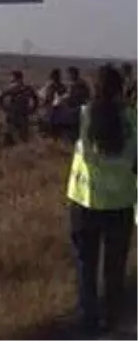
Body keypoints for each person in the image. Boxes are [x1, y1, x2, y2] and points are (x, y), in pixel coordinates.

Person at [66, 64, 138, 335]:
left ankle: (88, 323)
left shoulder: (82, 116)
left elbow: (49, 119)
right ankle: (113, 321)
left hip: (84, 204)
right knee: (114, 270)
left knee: (86, 268)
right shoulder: (134, 120)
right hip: (120, 205)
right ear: (121, 90)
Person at [0, 69, 39, 144]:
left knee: (10, 136)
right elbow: (36, 100)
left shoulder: (11, 87)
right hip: (22, 114)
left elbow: (0, 98)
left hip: (14, 114)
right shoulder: (28, 88)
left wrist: (5, 108)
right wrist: (32, 110)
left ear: (14, 77)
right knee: (22, 136)